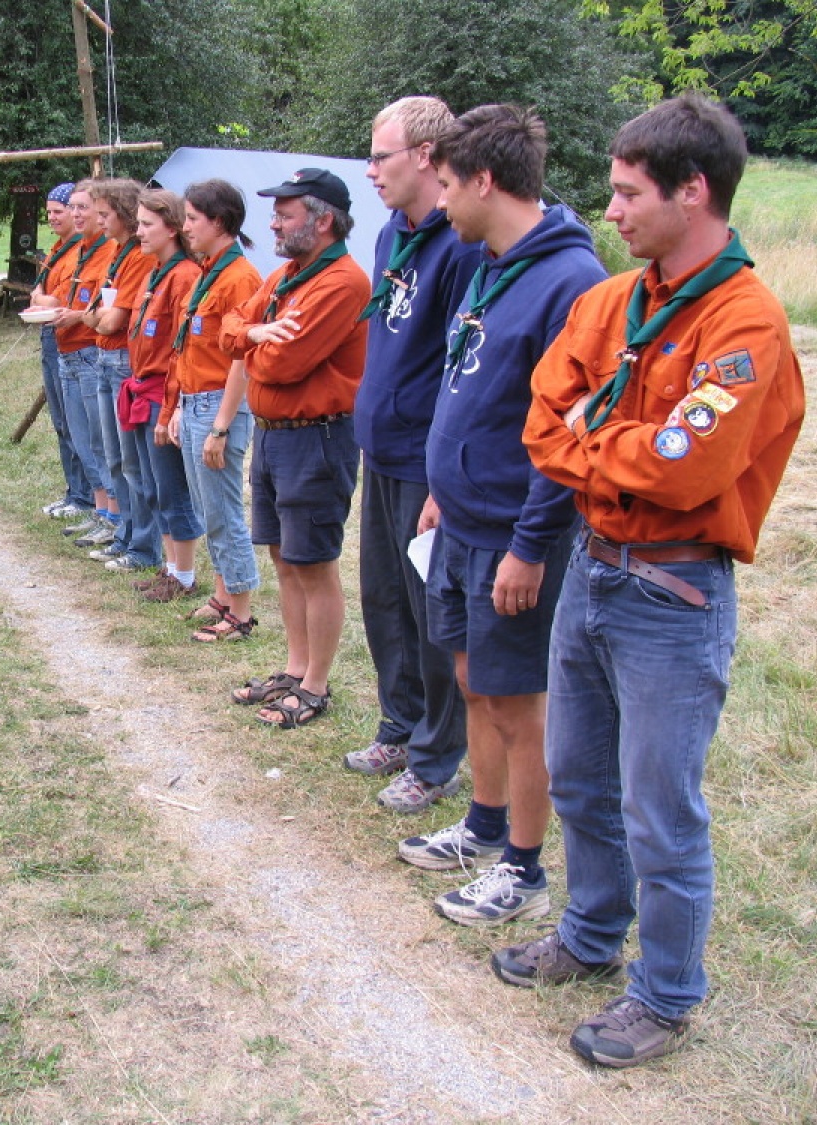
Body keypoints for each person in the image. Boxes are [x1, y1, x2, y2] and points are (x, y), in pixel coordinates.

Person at [504, 93, 806, 1069]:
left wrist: (592, 438)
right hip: (591, 569)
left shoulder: (745, 321)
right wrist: (622, 444)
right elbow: (540, 421)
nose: (612, 209)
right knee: (578, 777)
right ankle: (591, 934)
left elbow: (687, 469)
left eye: (630, 193)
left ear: (694, 191)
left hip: (673, 596)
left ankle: (667, 994)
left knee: (660, 809)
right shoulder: (611, 301)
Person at [399, 105, 605, 926]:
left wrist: (531, 545)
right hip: (460, 522)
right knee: (472, 680)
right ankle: (483, 824)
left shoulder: (571, 282)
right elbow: (474, 389)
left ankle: (523, 867)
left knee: (518, 701)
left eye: (449, 184)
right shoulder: (489, 264)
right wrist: (441, 487)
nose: (442, 201)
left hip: (515, 536)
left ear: (485, 180)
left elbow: (568, 433)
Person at [342, 96, 477, 813]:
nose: (370, 172)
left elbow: (461, 365)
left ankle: (436, 758)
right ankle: (398, 727)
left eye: (380, 156)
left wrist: (440, 473)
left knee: (432, 616)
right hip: (381, 449)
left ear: (426, 156)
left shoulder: (462, 244)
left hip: (427, 459)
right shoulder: (391, 232)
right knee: (385, 600)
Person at [219, 170, 371, 726]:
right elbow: (227, 330)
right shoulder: (287, 275)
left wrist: (252, 341)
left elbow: (284, 364)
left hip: (317, 438)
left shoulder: (342, 283)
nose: (273, 225)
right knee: (284, 558)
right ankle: (294, 667)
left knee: (313, 563)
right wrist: (254, 333)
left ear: (323, 220)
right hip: (274, 435)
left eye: (285, 215)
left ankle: (315, 685)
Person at [166, 180, 262, 640]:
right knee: (209, 511)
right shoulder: (209, 271)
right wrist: (181, 405)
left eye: (191, 219)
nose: (184, 227)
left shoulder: (240, 277)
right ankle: (223, 596)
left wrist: (220, 427)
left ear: (219, 222)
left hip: (219, 406)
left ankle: (240, 613)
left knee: (224, 512)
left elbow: (242, 359)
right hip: (196, 401)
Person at [125, 189, 204, 601]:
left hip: (163, 393)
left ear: (172, 228)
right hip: (144, 389)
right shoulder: (154, 272)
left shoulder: (185, 275)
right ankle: (170, 568)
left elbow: (181, 348)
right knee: (155, 486)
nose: (138, 231)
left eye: (146, 224)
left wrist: (169, 408)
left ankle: (185, 576)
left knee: (173, 488)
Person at [82, 178, 158, 572]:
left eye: (105, 214)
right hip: (104, 358)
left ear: (125, 215)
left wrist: (94, 318)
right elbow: (98, 311)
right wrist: (96, 317)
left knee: (131, 460)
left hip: (123, 361)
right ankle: (127, 534)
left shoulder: (139, 257)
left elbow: (112, 321)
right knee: (113, 455)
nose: (99, 220)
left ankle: (143, 543)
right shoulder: (116, 252)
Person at [51, 183, 118, 549]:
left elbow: (106, 309)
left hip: (90, 352)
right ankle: (100, 510)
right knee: (82, 439)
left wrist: (75, 315)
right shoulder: (79, 250)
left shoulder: (109, 251)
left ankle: (114, 517)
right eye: (72, 207)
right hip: (67, 352)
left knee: (100, 441)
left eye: (83, 208)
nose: (75, 214)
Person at [28, 184, 93, 521]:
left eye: (59, 211)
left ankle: (85, 497)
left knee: (75, 422)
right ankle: (74, 491)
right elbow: (39, 292)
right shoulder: (57, 249)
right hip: (52, 336)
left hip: (73, 339)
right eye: (49, 212)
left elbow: (54, 300)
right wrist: (41, 297)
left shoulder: (80, 250)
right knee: (61, 421)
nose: (53, 217)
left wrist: (41, 297)